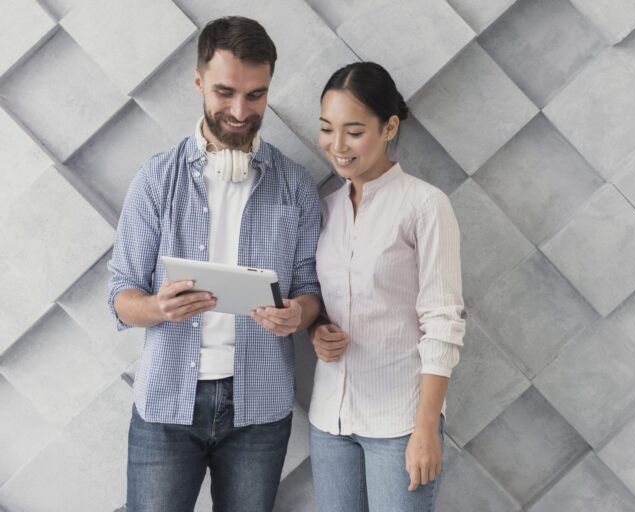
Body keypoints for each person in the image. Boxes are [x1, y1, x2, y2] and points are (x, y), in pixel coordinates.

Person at [107, 16, 322, 512]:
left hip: (260, 409)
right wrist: (158, 307)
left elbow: (311, 288)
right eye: (225, 92)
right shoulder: (156, 180)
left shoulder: (295, 186)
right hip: (166, 406)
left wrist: (301, 313)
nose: (241, 110)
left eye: (256, 95)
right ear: (199, 80)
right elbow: (120, 297)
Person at [308, 62, 465, 512]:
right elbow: (324, 299)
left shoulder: (426, 206)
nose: (337, 146)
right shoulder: (327, 209)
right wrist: (315, 329)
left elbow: (443, 322)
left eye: (353, 131)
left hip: (400, 423)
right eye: (326, 129)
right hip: (330, 421)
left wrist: (425, 429)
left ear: (389, 127)